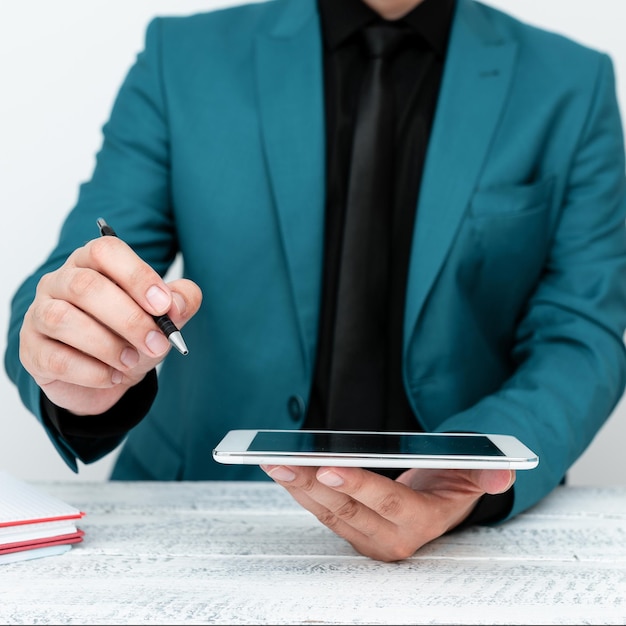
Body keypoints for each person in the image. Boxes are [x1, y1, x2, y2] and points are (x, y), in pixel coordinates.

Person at [5, 0, 626, 563]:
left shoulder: (572, 84)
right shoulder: (183, 57)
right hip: (202, 525)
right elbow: (83, 267)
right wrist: (76, 359)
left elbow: (584, 331)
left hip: (461, 538)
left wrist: (472, 474)